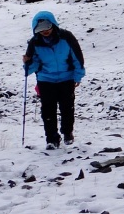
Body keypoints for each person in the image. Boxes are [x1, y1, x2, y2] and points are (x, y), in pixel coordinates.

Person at [23, 11, 85, 149]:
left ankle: (67, 133)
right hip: (46, 79)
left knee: (67, 108)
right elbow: (32, 67)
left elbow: (77, 57)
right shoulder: (35, 43)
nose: (45, 31)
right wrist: (27, 62)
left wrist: (78, 75)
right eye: (40, 29)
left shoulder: (66, 37)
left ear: (53, 25)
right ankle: (52, 139)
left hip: (66, 78)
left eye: (47, 27)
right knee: (48, 110)